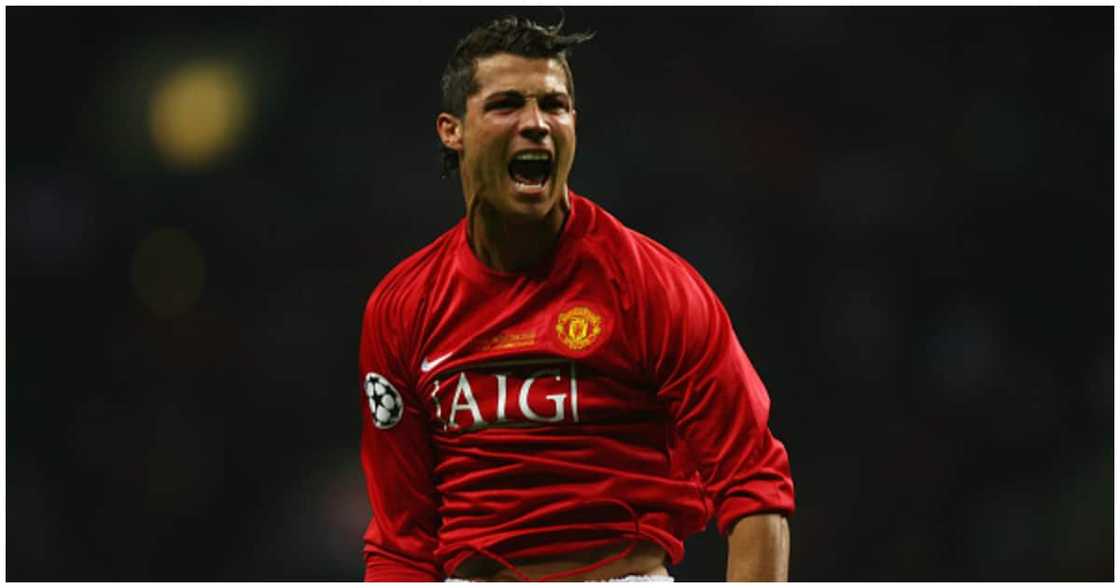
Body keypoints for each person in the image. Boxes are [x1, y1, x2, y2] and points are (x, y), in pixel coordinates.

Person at [358, 15, 795, 582]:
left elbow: (752, 482)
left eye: (554, 105)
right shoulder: (402, 308)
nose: (536, 124)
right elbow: (402, 545)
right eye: (507, 104)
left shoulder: (650, 285)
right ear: (452, 130)